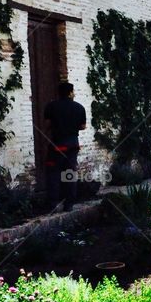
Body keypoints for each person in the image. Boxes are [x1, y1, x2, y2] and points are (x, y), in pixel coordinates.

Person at [44, 81, 87, 211]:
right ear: (70, 93)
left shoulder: (51, 106)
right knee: (69, 173)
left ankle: (54, 203)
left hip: (57, 145)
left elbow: (47, 125)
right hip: (73, 144)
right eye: (73, 91)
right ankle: (69, 204)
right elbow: (83, 126)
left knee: (53, 173)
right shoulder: (79, 107)